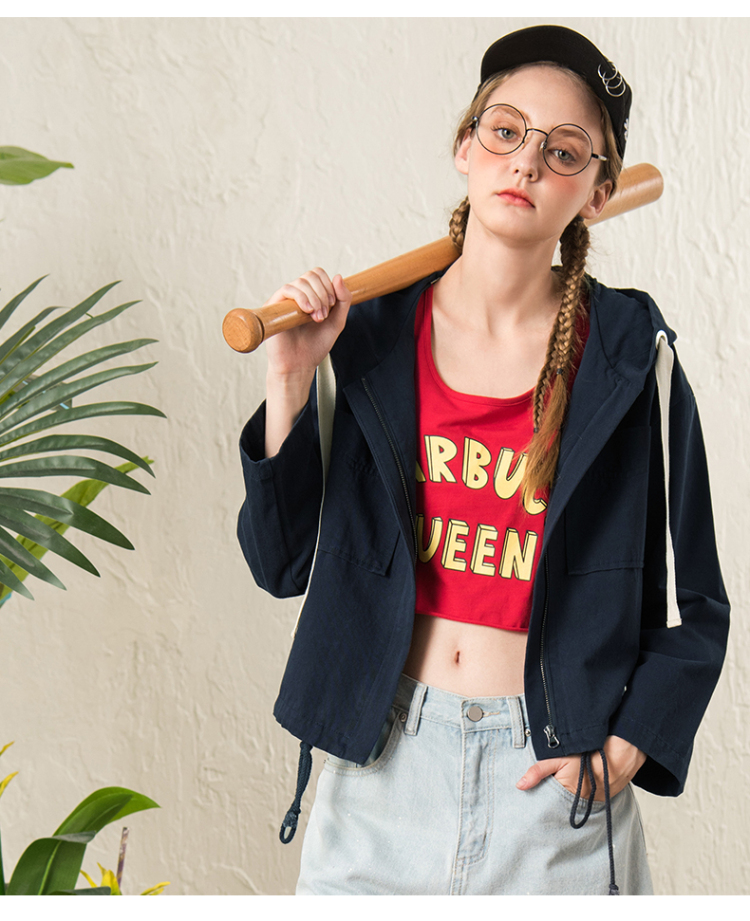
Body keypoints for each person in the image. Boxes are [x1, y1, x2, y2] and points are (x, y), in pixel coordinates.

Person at [236, 24, 729, 895]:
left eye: (563, 150)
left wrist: (631, 742)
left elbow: (701, 603)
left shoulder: (629, 358)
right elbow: (279, 564)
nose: (527, 162)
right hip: (377, 772)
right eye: (505, 131)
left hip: (551, 785)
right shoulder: (368, 341)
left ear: (598, 193)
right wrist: (292, 376)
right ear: (466, 146)